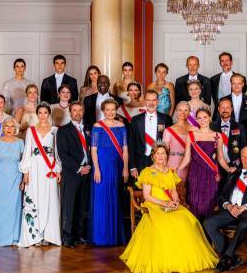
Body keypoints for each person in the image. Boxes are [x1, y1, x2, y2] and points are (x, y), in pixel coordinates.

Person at [120, 143, 218, 273]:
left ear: (167, 156)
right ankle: (167, 261)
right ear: (153, 156)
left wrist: (176, 201)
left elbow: (174, 192)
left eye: (163, 153)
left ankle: (182, 259)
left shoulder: (170, 171)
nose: (161, 156)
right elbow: (147, 196)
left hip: (169, 204)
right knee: (164, 224)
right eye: (158, 154)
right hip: (154, 205)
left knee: (186, 220)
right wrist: (164, 203)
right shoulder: (148, 172)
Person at [203, 146, 247, 272]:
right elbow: (222, 196)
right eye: (243, 157)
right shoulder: (234, 174)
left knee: (244, 224)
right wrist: (228, 206)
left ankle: (227, 257)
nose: (245, 159)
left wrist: (245, 206)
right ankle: (232, 257)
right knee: (208, 222)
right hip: (231, 210)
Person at [178, 107, 234, 219]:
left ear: (209, 118)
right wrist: (176, 170)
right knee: (194, 204)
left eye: (204, 117)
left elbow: (221, 158)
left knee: (210, 205)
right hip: (195, 174)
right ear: (196, 120)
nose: (202, 120)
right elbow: (187, 158)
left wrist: (228, 169)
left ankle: (208, 234)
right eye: (199, 118)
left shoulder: (218, 136)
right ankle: (196, 234)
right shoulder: (191, 135)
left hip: (211, 175)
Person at [18, 103, 61, 247]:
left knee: (51, 199)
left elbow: (57, 152)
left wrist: (58, 169)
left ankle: (49, 235)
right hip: (35, 168)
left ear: (49, 114)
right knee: (35, 198)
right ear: (37, 114)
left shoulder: (55, 130)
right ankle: (35, 235)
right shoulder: (31, 131)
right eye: (40, 113)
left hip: (50, 169)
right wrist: (25, 172)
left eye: (45, 113)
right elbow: (27, 152)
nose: (43, 115)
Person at [90, 99, 129, 246]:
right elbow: (93, 150)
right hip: (101, 166)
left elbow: (125, 149)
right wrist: (97, 169)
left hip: (116, 165)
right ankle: (100, 236)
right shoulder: (97, 126)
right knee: (101, 198)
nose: (111, 112)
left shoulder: (121, 126)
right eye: (108, 110)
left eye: (113, 109)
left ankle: (114, 236)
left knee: (115, 198)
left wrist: (125, 168)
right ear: (103, 110)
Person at [56, 102, 91, 248]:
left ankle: (78, 235)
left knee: (81, 205)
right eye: (74, 110)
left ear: (83, 112)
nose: (77, 113)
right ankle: (67, 237)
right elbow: (63, 154)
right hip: (72, 173)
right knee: (69, 205)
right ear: (70, 113)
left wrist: (88, 167)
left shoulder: (88, 128)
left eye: (80, 110)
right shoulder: (63, 130)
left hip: (87, 172)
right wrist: (79, 168)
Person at [0, 118, 24, 247]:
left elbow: (24, 162)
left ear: (15, 129)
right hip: (0, 178)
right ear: (3, 128)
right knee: (1, 208)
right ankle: (1, 239)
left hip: (15, 177)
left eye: (12, 126)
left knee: (15, 207)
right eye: (6, 126)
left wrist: (23, 180)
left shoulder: (20, 142)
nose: (9, 129)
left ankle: (15, 237)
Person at [128, 90, 173, 176]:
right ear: (145, 101)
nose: (151, 103)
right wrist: (132, 166)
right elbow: (131, 144)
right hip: (141, 160)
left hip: (159, 160)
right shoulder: (135, 120)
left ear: (158, 101)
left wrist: (167, 163)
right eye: (148, 100)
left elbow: (169, 144)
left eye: (154, 100)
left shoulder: (166, 119)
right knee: (141, 188)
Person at [211, 98, 247, 168]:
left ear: (231, 109)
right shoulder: (211, 126)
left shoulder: (239, 127)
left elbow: (243, 147)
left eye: (227, 107)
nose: (225, 110)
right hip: (215, 164)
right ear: (218, 109)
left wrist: (237, 165)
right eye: (222, 107)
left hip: (234, 164)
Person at [162, 101, 193, 181]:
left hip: (192, 165)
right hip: (174, 165)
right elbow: (163, 152)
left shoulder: (195, 129)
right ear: (176, 111)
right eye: (180, 110)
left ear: (189, 112)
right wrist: (163, 168)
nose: (183, 112)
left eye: (186, 110)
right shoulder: (168, 130)